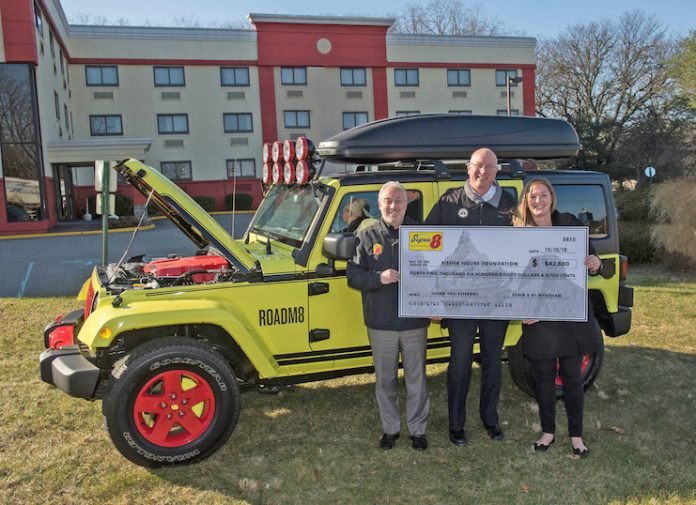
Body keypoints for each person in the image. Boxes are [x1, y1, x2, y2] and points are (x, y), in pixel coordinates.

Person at [424, 147, 516, 446]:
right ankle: (456, 425)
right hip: (459, 300)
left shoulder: (510, 204)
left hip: (495, 300)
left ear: (497, 171)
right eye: (478, 166)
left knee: (492, 361)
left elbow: (535, 238)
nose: (483, 172)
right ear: (468, 167)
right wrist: (433, 297)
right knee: (460, 361)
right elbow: (425, 248)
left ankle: (490, 419)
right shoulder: (449, 201)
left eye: (489, 167)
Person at [513, 177, 602, 457]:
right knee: (543, 377)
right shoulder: (517, 234)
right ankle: (548, 431)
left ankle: (576, 436)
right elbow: (512, 278)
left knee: (572, 377)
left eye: (542, 195)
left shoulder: (570, 224)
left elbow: (594, 260)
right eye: (532, 197)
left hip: (569, 311)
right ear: (526, 202)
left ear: (551, 198)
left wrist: (595, 263)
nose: (538, 201)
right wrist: (520, 309)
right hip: (538, 316)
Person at [347, 181, 431, 451]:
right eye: (388, 201)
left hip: (414, 321)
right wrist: (378, 278)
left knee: (416, 378)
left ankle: (418, 430)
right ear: (379, 203)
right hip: (381, 322)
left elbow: (435, 274)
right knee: (386, 380)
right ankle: (391, 429)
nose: (393, 206)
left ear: (407, 204)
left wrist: (436, 302)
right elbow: (353, 275)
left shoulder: (422, 234)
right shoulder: (366, 235)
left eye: (398, 201)